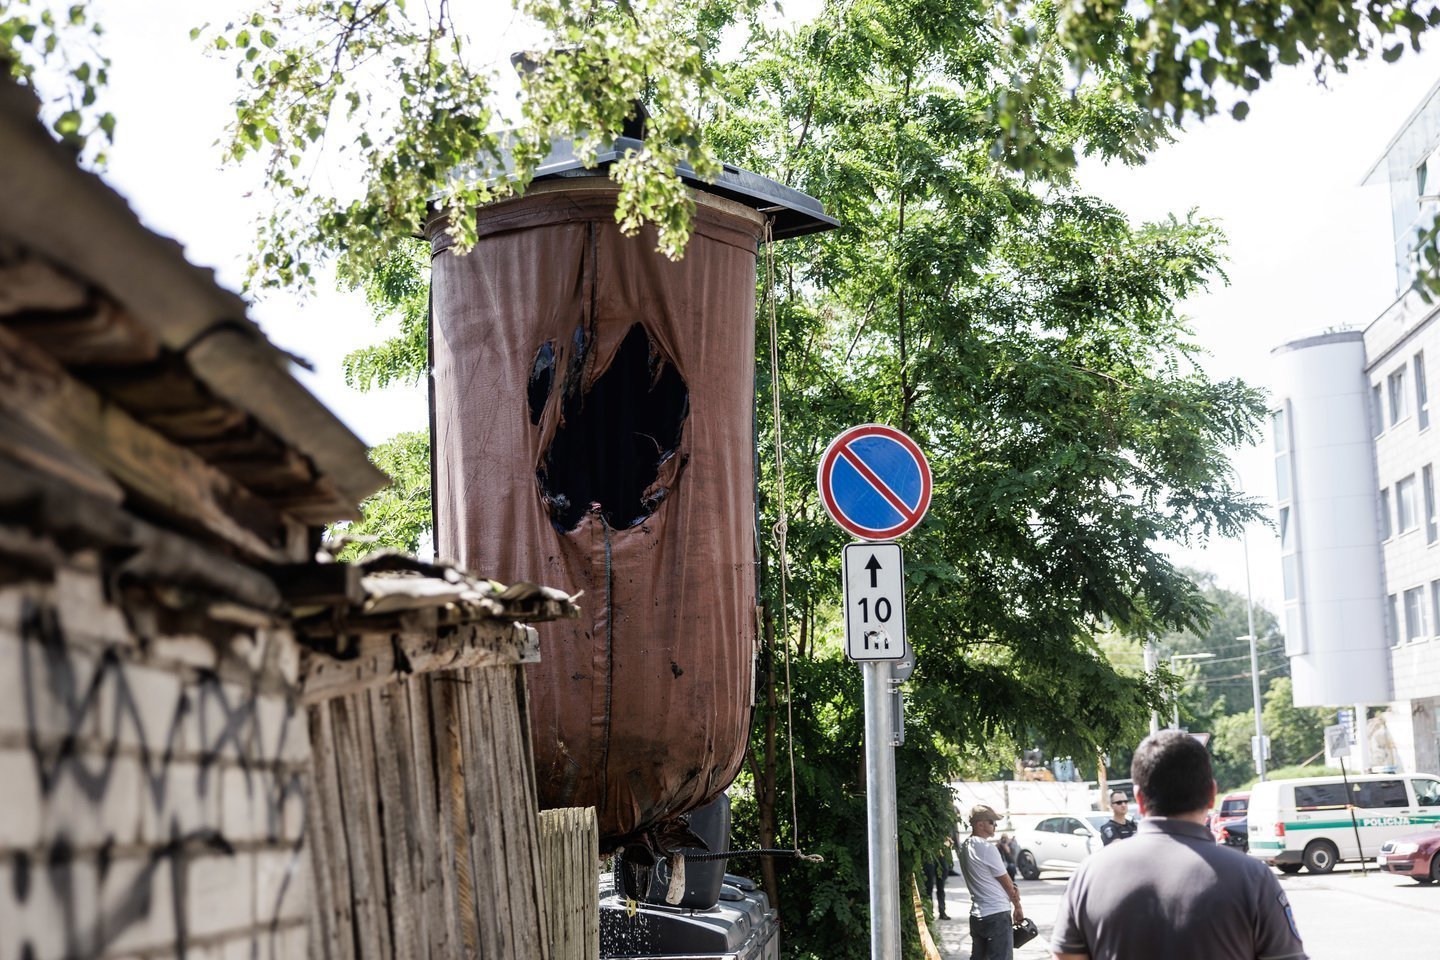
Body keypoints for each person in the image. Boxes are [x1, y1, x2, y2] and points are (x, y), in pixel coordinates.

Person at [1051, 731, 1308, 960]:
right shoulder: (1252, 878)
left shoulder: (1089, 875)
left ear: (1139, 800)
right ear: (1211, 794)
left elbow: (1065, 954)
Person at [956, 804, 1024, 960]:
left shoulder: (966, 846)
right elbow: (1007, 883)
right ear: (980, 824)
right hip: (996, 914)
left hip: (977, 915)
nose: (996, 825)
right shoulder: (987, 848)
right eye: (992, 822)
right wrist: (1018, 906)